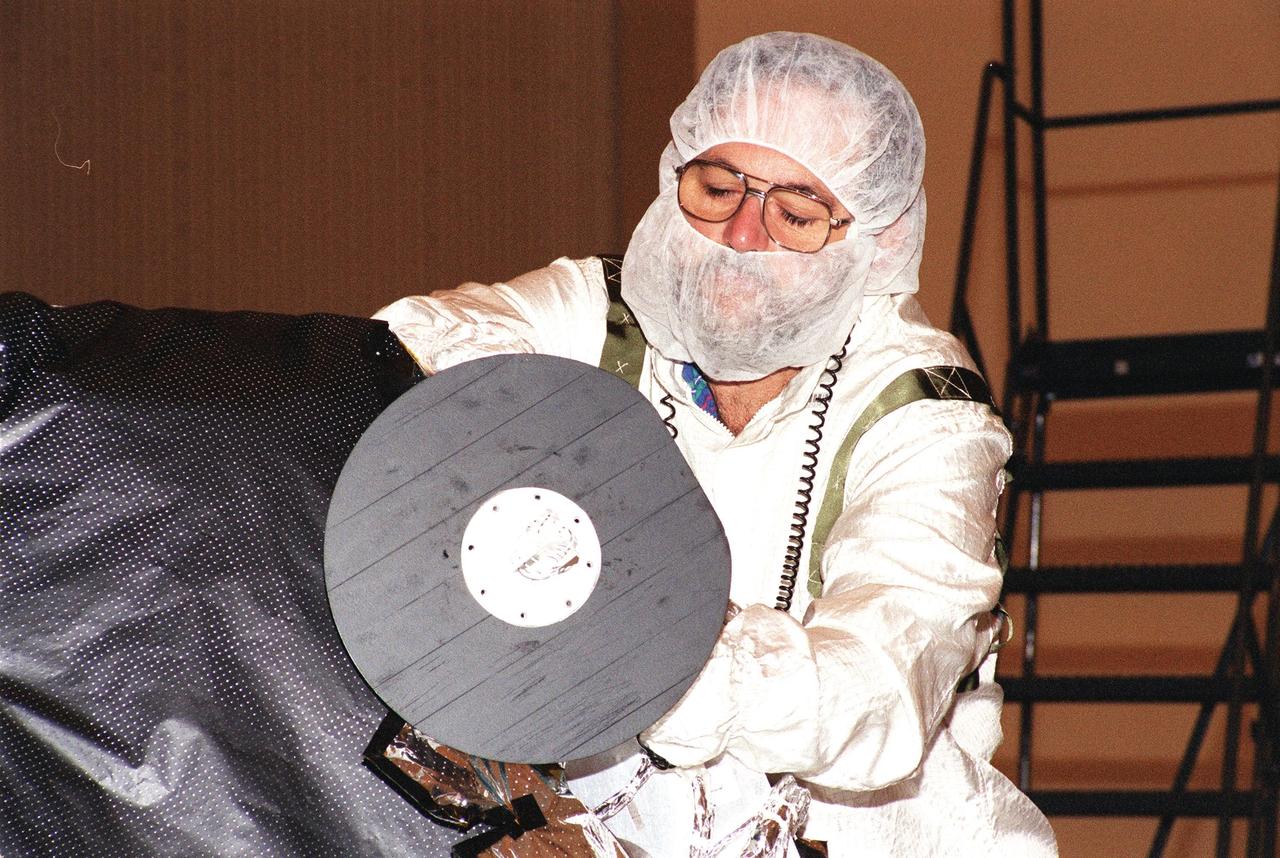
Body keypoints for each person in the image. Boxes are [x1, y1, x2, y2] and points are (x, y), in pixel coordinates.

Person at [375, 31, 1058, 858]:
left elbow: (876, 694)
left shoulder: (925, 413)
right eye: (717, 186)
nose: (741, 234)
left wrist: (622, 630)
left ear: (875, 240)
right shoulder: (602, 311)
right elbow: (411, 346)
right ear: (674, 179)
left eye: (797, 213)